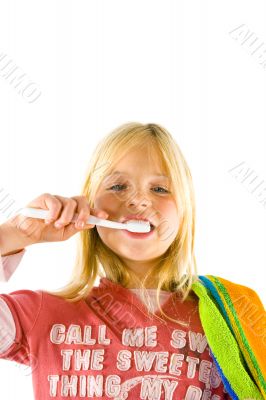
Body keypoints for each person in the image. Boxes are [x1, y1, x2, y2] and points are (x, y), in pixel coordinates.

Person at [0, 122, 264, 400]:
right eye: (118, 186)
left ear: (184, 215)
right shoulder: (41, 315)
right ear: (89, 208)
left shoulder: (233, 317)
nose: (139, 200)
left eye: (160, 189)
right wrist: (12, 235)